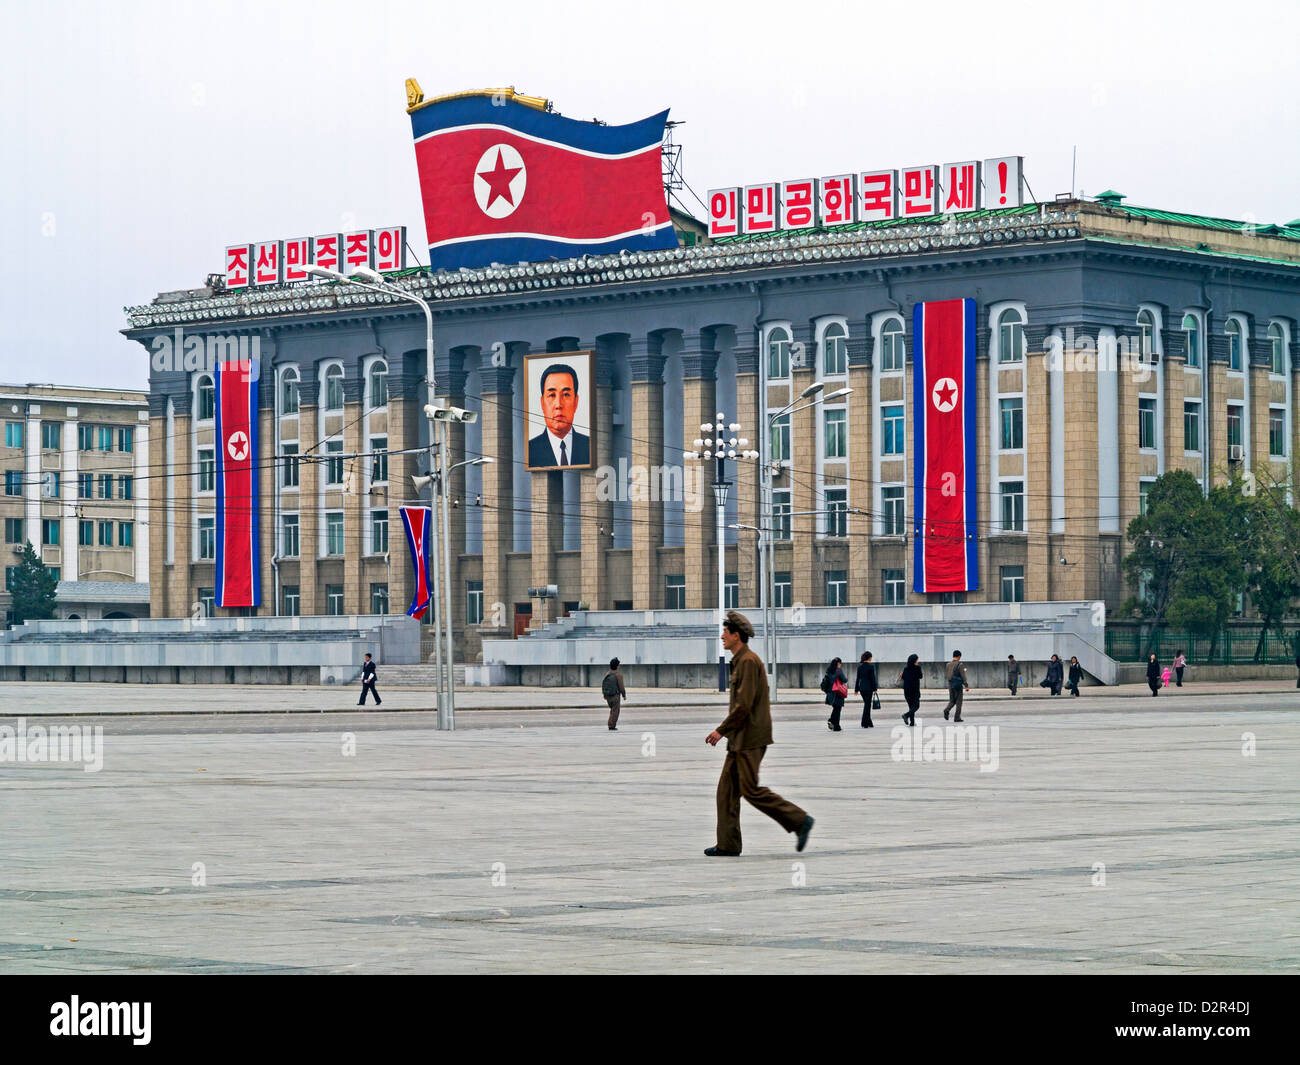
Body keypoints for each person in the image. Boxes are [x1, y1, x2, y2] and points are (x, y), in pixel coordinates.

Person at [705, 611, 814, 857]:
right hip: (739, 738)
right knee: (726, 791)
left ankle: (799, 820)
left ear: (737, 636)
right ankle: (728, 844)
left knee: (750, 790)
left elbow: (743, 706)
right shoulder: (741, 660)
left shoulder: (748, 662)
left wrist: (720, 731)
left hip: (750, 738)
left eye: (726, 632)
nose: (722, 636)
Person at [527, 363, 591, 467]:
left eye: (566, 395)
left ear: (576, 402)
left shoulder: (590, 446)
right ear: (542, 403)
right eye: (552, 395)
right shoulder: (529, 449)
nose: (558, 405)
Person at [942, 649, 970, 722]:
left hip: (950, 685)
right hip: (958, 685)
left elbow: (947, 675)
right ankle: (957, 717)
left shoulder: (948, 664)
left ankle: (946, 710)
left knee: (952, 700)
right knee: (959, 702)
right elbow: (963, 676)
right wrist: (966, 685)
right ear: (959, 656)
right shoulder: (960, 664)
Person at [822, 656, 848, 731]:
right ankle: (834, 723)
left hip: (830, 692)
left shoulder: (829, 670)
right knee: (838, 709)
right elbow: (844, 679)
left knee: (835, 708)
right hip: (838, 692)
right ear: (839, 663)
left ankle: (835, 725)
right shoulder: (838, 670)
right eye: (840, 664)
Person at [601, 657, 626, 730]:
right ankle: (611, 725)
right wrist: (624, 695)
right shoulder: (618, 675)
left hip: (608, 696)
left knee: (612, 710)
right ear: (617, 666)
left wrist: (604, 694)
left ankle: (611, 724)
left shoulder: (607, 674)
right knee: (615, 711)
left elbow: (603, 684)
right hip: (615, 695)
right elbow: (621, 687)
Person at [855, 651, 879, 728]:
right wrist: (875, 688)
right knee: (867, 706)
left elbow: (857, 679)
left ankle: (869, 723)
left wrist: (856, 689)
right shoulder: (871, 667)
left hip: (862, 688)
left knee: (867, 705)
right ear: (869, 658)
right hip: (869, 689)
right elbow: (873, 679)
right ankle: (864, 723)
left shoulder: (860, 667)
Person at [898, 654, 923, 726]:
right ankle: (906, 715)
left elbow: (903, 678)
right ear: (915, 660)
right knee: (916, 706)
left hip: (907, 691)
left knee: (911, 706)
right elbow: (920, 676)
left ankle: (912, 722)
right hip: (915, 690)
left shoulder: (906, 669)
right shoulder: (918, 668)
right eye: (917, 660)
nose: (918, 661)